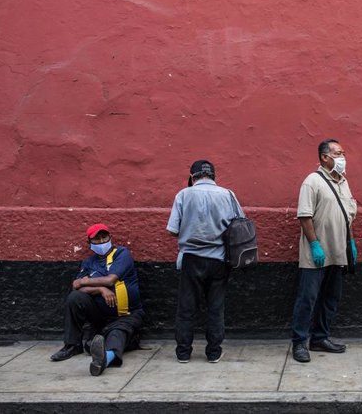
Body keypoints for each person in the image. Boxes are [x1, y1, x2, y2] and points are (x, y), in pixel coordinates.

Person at [167, 159, 244, 363]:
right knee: (215, 307)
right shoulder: (227, 195)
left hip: (191, 258)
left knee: (186, 307)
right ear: (213, 175)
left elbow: (173, 230)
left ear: (192, 177)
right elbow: (239, 226)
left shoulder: (184, 195)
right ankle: (213, 352)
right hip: (219, 258)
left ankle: (183, 352)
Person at [291, 139, 357, 363]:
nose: (342, 158)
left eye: (343, 153)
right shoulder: (312, 182)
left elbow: (348, 214)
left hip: (339, 252)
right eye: (338, 153)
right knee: (307, 298)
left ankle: (320, 337)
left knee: (331, 298)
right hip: (316, 254)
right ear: (324, 158)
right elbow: (304, 215)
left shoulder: (344, 182)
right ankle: (300, 342)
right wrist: (315, 244)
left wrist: (352, 242)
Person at [50, 223, 144, 377]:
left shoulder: (121, 254)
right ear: (89, 243)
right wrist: (100, 289)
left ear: (110, 237)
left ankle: (105, 359)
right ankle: (72, 345)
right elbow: (76, 287)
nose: (101, 242)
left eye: (104, 237)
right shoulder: (88, 263)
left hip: (126, 315)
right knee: (75, 297)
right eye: (96, 240)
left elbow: (110, 280)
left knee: (117, 333)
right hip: (100, 316)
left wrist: (84, 282)